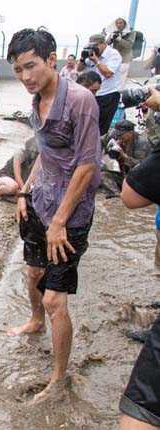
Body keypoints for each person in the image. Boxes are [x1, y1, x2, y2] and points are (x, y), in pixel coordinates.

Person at [6, 28, 102, 401]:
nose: (25, 76)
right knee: (33, 273)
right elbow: (46, 152)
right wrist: (25, 192)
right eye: (17, 69)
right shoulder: (36, 100)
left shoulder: (79, 101)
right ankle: (34, 323)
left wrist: (60, 221)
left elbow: (86, 167)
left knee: (54, 299)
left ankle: (59, 376)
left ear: (51, 60)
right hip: (40, 201)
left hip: (71, 214)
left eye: (31, 65)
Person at [118, 105, 160, 429]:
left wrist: (125, 162)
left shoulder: (147, 144)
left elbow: (132, 195)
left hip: (142, 187)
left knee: (141, 410)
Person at [77, 33, 122, 136]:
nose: (93, 48)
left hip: (108, 94)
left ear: (102, 43)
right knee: (87, 123)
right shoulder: (92, 54)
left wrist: (97, 61)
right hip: (92, 94)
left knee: (101, 127)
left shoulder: (113, 54)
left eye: (95, 45)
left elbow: (108, 73)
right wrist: (82, 58)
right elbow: (79, 69)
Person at [101, 119, 152, 196]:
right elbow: (99, 140)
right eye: (116, 134)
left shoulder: (141, 143)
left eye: (120, 135)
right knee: (102, 174)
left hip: (138, 179)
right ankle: (116, 194)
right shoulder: (115, 136)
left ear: (130, 133)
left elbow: (141, 166)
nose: (117, 137)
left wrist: (125, 157)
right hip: (124, 175)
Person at [0, 137, 39, 203]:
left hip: (19, 185)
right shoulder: (20, 153)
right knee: (13, 187)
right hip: (6, 178)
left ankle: (4, 197)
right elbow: (18, 176)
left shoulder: (39, 160)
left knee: (28, 199)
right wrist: (24, 192)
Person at [106, 17, 137, 89]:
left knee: (121, 79)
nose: (119, 25)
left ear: (125, 23)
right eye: (117, 23)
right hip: (115, 59)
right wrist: (111, 37)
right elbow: (107, 43)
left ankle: (119, 94)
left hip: (124, 59)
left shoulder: (131, 32)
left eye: (120, 23)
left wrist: (119, 39)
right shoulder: (115, 31)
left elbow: (129, 45)